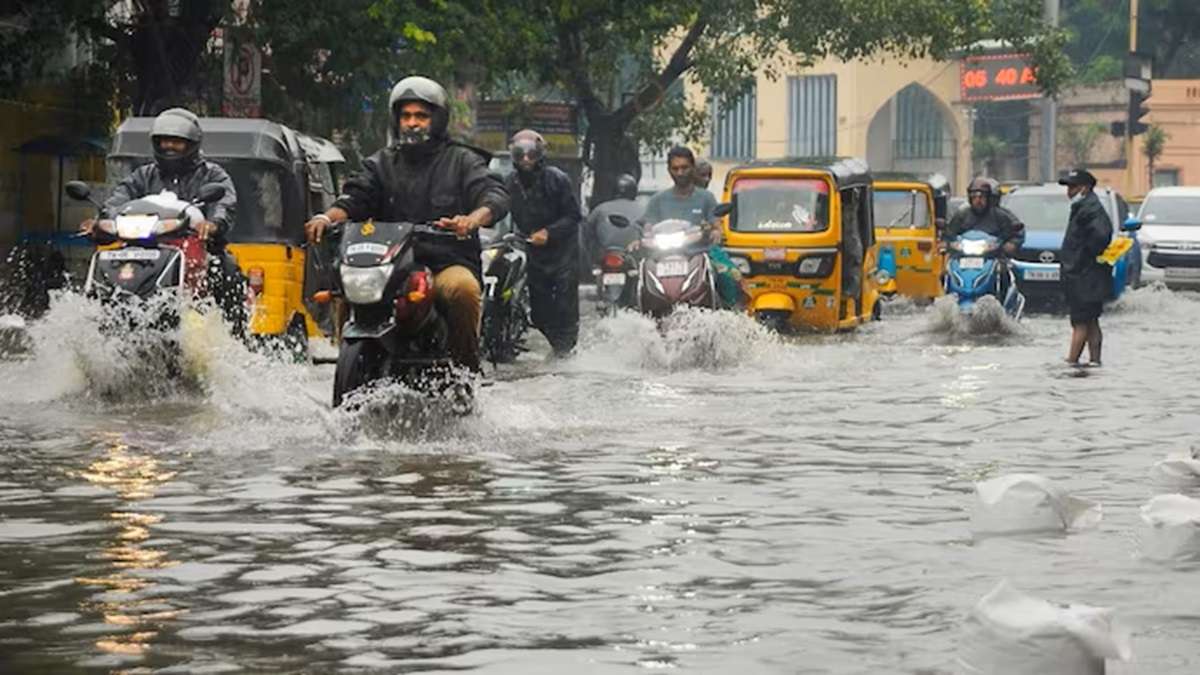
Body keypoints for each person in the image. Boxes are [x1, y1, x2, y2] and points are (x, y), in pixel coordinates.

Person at [304, 76, 509, 373]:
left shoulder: (462, 161)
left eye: (421, 116)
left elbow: (493, 194)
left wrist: (472, 219)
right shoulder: (380, 164)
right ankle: (347, 359)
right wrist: (326, 217)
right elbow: (354, 199)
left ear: (437, 120)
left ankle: (467, 371)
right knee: (349, 289)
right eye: (406, 116)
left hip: (444, 263)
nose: (413, 123)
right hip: (389, 267)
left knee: (463, 290)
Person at [83, 107, 245, 331]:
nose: (169, 146)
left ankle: (233, 335)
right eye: (164, 141)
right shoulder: (144, 175)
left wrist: (214, 223)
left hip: (197, 247)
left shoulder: (212, 174)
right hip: (142, 245)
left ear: (192, 144)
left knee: (226, 269)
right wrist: (103, 219)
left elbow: (225, 202)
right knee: (108, 260)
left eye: (176, 142)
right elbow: (119, 198)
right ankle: (93, 321)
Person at [504, 128, 582, 357]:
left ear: (540, 154)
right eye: (520, 154)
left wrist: (549, 232)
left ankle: (566, 352)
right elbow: (498, 208)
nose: (526, 160)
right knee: (539, 311)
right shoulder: (509, 182)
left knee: (565, 305)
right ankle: (557, 345)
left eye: (531, 154)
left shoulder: (557, 179)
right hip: (533, 252)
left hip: (563, 253)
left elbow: (573, 216)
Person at [642, 146, 744, 308]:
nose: (680, 172)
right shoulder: (657, 200)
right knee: (638, 276)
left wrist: (715, 231)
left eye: (684, 168)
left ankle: (733, 315)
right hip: (663, 256)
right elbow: (648, 226)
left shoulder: (706, 197)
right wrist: (642, 236)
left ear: (692, 169)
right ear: (669, 170)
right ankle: (636, 313)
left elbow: (715, 222)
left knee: (730, 276)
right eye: (675, 168)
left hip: (700, 252)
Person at [1058, 168, 1112, 366]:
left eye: (1073, 187)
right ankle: (1095, 362)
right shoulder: (1083, 208)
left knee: (1081, 322)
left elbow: (1100, 237)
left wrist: (1081, 260)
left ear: (1085, 188)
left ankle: (1072, 363)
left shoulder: (1091, 209)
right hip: (1084, 274)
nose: (1069, 192)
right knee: (1090, 321)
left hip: (1085, 276)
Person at [582, 173, 643, 266]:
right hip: (633, 255)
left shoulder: (600, 208)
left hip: (603, 255)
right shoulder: (642, 209)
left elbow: (586, 230)